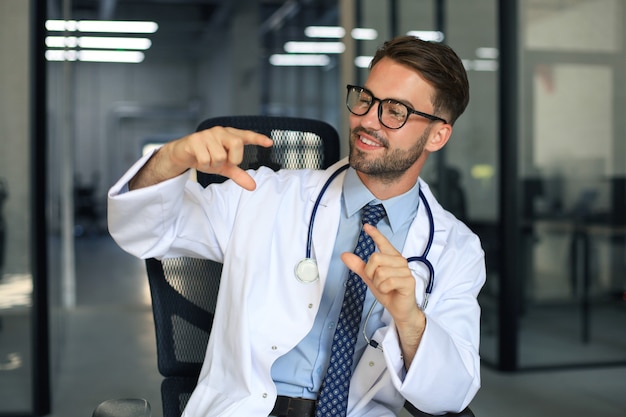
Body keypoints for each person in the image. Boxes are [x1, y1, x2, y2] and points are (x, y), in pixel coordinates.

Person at [108, 35, 485, 417]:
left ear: (437, 134)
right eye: (367, 99)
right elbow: (144, 230)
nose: (368, 120)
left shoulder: (456, 249)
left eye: (396, 111)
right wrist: (168, 159)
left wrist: (410, 321)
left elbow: (451, 395)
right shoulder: (265, 196)